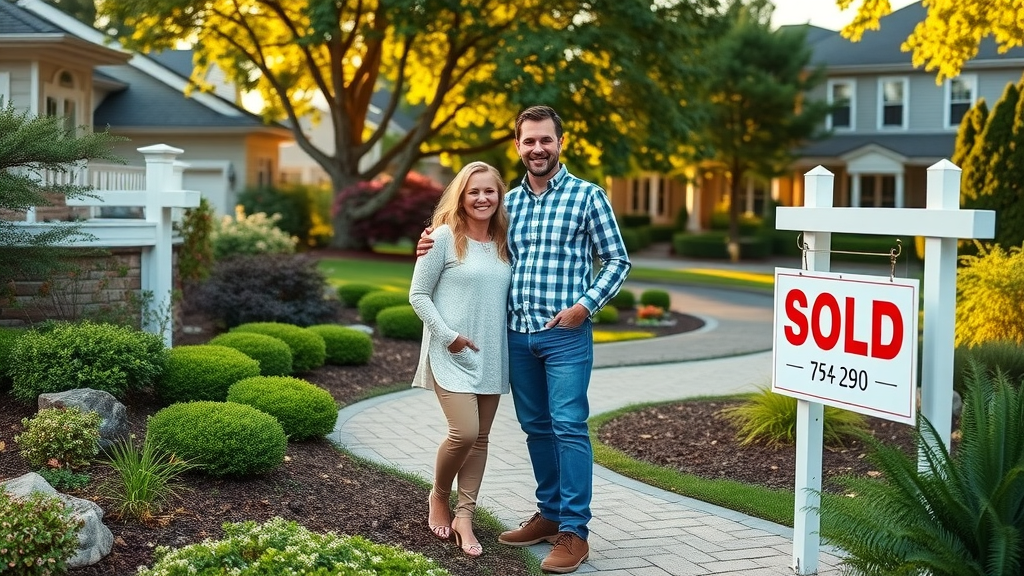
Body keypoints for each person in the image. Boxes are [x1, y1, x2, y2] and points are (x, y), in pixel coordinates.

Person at [418, 105, 631, 574]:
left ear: (560, 143)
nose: (538, 148)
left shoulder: (587, 197)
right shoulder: (507, 203)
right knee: (536, 429)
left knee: (569, 428)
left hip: (565, 336)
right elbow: (468, 241)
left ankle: (574, 532)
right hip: (516, 337)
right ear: (518, 146)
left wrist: (584, 307)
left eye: (546, 140)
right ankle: (550, 514)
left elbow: (617, 261)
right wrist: (428, 243)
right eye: (529, 141)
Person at [409, 161, 512, 559]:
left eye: (489, 191)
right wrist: (449, 337)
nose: (483, 198)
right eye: (474, 191)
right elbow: (418, 295)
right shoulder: (442, 238)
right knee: (464, 433)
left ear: (499, 196)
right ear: (461, 196)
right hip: (450, 352)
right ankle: (439, 496)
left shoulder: (505, 240)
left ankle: (464, 516)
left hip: (492, 355)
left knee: (482, 439)